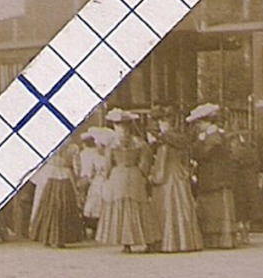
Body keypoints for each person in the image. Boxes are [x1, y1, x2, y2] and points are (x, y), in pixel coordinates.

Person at [96, 110, 159, 253]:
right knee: (139, 207)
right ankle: (147, 240)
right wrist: (143, 174)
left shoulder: (111, 143)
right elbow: (145, 163)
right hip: (134, 174)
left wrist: (107, 175)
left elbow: (107, 164)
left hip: (118, 174)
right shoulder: (139, 142)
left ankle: (127, 244)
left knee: (122, 207)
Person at [150, 108, 202, 253]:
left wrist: (154, 176)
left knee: (167, 207)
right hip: (180, 175)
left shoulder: (164, 142)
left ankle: (169, 242)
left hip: (167, 176)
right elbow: (186, 160)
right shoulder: (182, 139)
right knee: (182, 206)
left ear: (163, 123)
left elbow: (161, 162)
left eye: (160, 123)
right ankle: (186, 241)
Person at [187, 103, 239, 249]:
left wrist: (199, 141)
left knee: (215, 208)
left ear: (206, 121)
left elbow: (201, 154)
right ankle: (218, 239)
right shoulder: (217, 135)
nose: (197, 126)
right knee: (214, 208)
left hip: (215, 177)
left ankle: (219, 240)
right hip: (214, 176)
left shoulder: (214, 138)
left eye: (199, 122)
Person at [29, 140, 84, 248]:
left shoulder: (50, 144)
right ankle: (57, 238)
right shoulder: (73, 147)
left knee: (50, 206)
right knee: (62, 206)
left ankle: (47, 237)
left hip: (51, 175)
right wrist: (76, 177)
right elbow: (77, 166)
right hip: (64, 176)